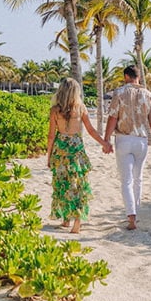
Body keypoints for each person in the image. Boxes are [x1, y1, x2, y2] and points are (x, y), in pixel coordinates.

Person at [47, 78, 112, 234]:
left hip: (61, 148)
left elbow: (51, 136)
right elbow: (90, 130)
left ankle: (66, 219)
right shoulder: (81, 108)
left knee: (62, 183)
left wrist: (49, 156)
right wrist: (104, 143)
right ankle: (75, 221)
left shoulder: (55, 110)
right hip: (76, 148)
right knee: (77, 185)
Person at [104, 65, 151, 231]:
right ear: (138, 77)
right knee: (138, 178)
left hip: (123, 138)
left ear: (126, 77)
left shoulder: (119, 93)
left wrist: (106, 139)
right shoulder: (149, 95)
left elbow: (113, 117)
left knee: (126, 181)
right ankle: (135, 212)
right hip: (142, 140)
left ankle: (131, 217)